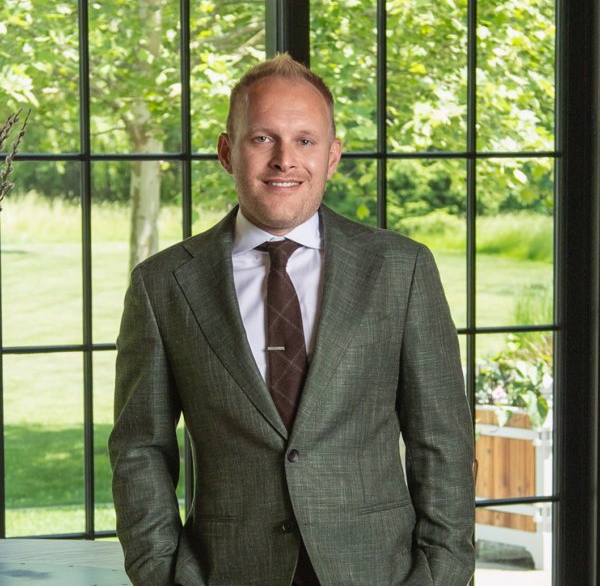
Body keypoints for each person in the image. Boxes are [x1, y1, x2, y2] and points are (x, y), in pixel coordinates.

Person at [109, 53, 475, 586]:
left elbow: (442, 441)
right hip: (225, 573)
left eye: (305, 140)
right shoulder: (163, 285)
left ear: (332, 156)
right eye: (263, 138)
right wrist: (160, 572)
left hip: (380, 572)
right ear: (227, 151)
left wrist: (442, 572)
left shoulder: (402, 269)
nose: (285, 160)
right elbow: (140, 449)